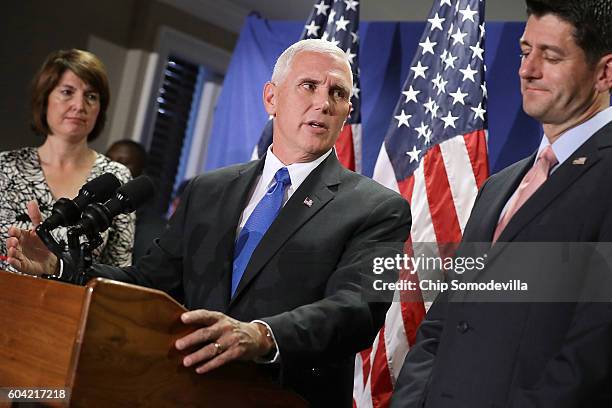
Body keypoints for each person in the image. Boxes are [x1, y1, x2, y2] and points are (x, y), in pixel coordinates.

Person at [6, 39, 412, 406]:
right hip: (183, 392)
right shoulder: (207, 189)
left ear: (346, 112)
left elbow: (357, 310)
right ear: (271, 98)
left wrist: (261, 335)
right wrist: (58, 267)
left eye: (337, 93)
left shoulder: (377, 208)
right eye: (309, 86)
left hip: (288, 396)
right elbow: (151, 284)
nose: (323, 102)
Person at [391, 0, 612, 407]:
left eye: (551, 56)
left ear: (604, 72)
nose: (527, 70)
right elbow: (442, 321)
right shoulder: (499, 187)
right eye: (526, 52)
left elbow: (594, 351)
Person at [0, 49, 134, 271]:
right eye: (67, 92)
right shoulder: (5, 167)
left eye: (91, 96)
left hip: (73, 304)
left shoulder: (116, 177)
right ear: (45, 99)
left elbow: (120, 274)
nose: (79, 106)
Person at [105, 139, 166, 262]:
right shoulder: (91, 208)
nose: (113, 167)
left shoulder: (154, 229)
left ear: (141, 172)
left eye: (123, 163)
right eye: (109, 160)